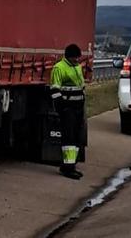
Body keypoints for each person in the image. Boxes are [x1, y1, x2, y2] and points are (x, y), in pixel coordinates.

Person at [50, 44, 86, 180]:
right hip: (68, 108)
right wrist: (62, 107)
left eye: (78, 57)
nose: (78, 60)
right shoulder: (59, 68)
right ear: (69, 57)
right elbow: (54, 90)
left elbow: (80, 86)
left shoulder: (77, 67)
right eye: (75, 58)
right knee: (69, 138)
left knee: (77, 137)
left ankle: (72, 164)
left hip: (78, 107)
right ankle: (67, 167)